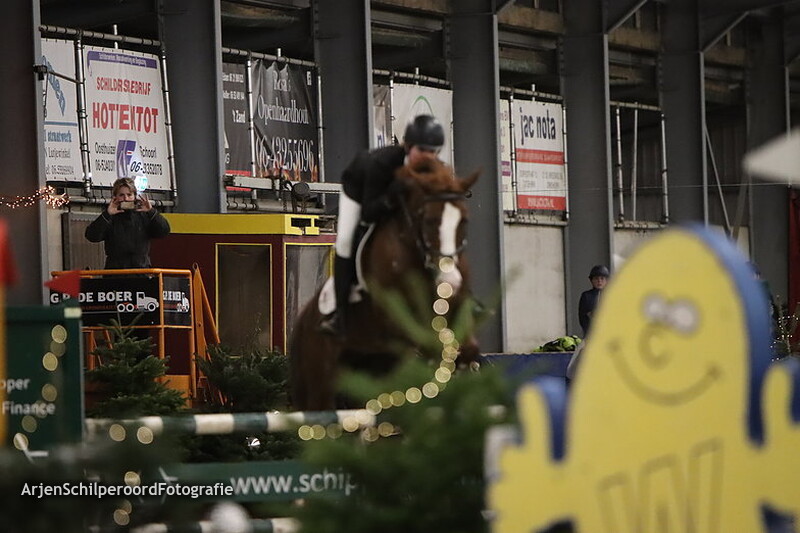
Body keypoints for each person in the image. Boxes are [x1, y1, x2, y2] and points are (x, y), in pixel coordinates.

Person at [319, 114, 446, 336]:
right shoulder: (380, 164)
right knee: (346, 240)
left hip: (395, 202)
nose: (428, 157)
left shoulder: (436, 170)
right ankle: (341, 314)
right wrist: (393, 195)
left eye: (433, 151)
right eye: (422, 150)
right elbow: (369, 214)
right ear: (409, 147)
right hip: (360, 191)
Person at [85, 177, 171, 269]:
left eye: (129, 195)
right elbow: (91, 236)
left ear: (135, 197)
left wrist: (151, 211)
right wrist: (107, 214)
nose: (125, 198)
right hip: (115, 273)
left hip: (141, 271)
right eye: (121, 195)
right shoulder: (109, 217)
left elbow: (164, 231)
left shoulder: (144, 216)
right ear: (115, 197)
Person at [578, 264, 609, 337]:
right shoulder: (586, 296)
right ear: (591, 280)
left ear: (607, 281)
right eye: (596, 278)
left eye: (602, 278)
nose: (599, 281)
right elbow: (582, 317)